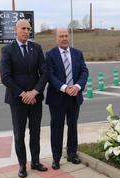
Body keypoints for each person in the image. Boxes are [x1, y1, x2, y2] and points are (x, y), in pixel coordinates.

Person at [0, 19, 48, 178]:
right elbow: (5, 77)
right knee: (19, 134)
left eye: (29, 28)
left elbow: (44, 73)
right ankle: (22, 165)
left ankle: (35, 161)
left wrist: (34, 92)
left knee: (35, 132)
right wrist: (23, 94)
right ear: (16, 30)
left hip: (35, 99)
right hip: (17, 100)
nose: (27, 31)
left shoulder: (37, 48)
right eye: (23, 28)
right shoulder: (7, 50)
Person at [45, 28, 89, 170]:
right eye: (61, 36)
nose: (64, 38)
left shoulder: (77, 53)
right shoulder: (50, 55)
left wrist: (77, 86)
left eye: (66, 36)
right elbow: (50, 75)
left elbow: (84, 71)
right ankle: (56, 158)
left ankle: (72, 153)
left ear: (68, 37)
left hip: (74, 97)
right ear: (56, 38)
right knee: (56, 128)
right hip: (57, 97)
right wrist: (65, 88)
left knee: (73, 126)